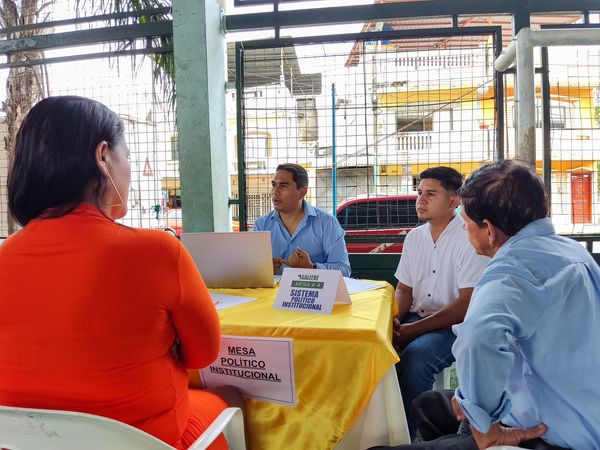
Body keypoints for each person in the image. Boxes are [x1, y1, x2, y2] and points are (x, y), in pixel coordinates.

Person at [0, 96, 233, 450]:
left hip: (25, 443)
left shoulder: (4, 257)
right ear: (103, 156)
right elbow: (203, 355)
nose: (131, 169)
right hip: (146, 440)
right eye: (128, 156)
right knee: (227, 398)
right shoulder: (157, 251)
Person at [370, 159, 600, 450]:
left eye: (466, 223)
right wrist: (471, 397)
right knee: (430, 404)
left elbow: (478, 341)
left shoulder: (509, 271)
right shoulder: (574, 253)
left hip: (546, 433)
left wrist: (485, 425)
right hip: (584, 412)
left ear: (489, 230)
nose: (464, 229)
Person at [392, 166, 489, 439]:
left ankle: (413, 436)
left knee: (415, 360)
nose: (420, 200)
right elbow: (404, 290)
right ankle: (386, 428)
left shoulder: (469, 237)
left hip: (453, 325)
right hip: (416, 318)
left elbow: (465, 304)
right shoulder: (414, 238)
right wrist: (394, 320)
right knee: (377, 349)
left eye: (431, 194)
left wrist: (410, 331)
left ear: (453, 201)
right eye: (419, 193)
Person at [253, 163, 351, 277]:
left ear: (302, 192)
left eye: (283, 186)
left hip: (312, 288)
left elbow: (344, 271)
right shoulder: (261, 225)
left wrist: (312, 267)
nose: (275, 191)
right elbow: (249, 269)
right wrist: (263, 269)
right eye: (274, 185)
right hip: (272, 289)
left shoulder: (326, 222)